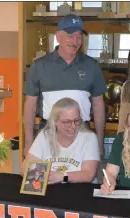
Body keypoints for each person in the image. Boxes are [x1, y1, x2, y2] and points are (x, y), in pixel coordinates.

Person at [24, 14, 106, 157]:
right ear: (57, 36)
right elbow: (30, 106)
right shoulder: (39, 66)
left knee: (83, 178)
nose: (75, 41)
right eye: (70, 35)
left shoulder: (92, 66)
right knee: (45, 178)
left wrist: (99, 142)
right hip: (48, 134)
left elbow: (99, 105)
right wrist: (28, 142)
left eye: (79, 36)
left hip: (82, 134)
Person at [22, 98, 100, 184]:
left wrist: (63, 176)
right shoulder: (44, 136)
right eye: (67, 122)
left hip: (80, 192)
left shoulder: (89, 138)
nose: (73, 126)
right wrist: (45, 176)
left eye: (77, 120)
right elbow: (23, 168)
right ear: (55, 121)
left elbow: (88, 175)